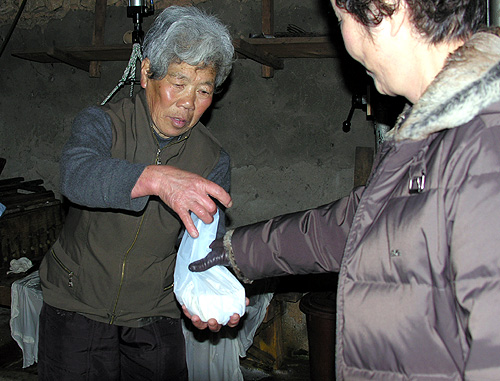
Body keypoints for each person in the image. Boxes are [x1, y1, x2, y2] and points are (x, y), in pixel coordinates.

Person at [189, 0, 500, 378]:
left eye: (340, 19)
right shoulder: (435, 132)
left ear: (390, 8)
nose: (346, 42)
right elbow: (357, 223)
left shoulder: (485, 145)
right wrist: (233, 249)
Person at [37, 5, 242, 380]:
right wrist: (158, 179)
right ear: (146, 72)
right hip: (76, 304)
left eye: (203, 90)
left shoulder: (211, 159)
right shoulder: (104, 123)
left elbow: (203, 244)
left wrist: (208, 290)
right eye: (178, 83)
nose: (188, 103)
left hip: (154, 312)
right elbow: (76, 175)